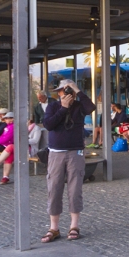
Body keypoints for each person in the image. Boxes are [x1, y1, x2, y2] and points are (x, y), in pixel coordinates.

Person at [41, 78, 95, 243]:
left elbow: (90, 107)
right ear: (58, 93)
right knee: (54, 188)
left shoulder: (79, 106)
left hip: (75, 152)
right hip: (56, 152)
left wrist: (78, 91)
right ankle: (54, 228)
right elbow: (48, 125)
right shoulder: (53, 106)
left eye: (68, 90)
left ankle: (74, 226)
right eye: (63, 90)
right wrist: (63, 108)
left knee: (75, 189)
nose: (66, 93)